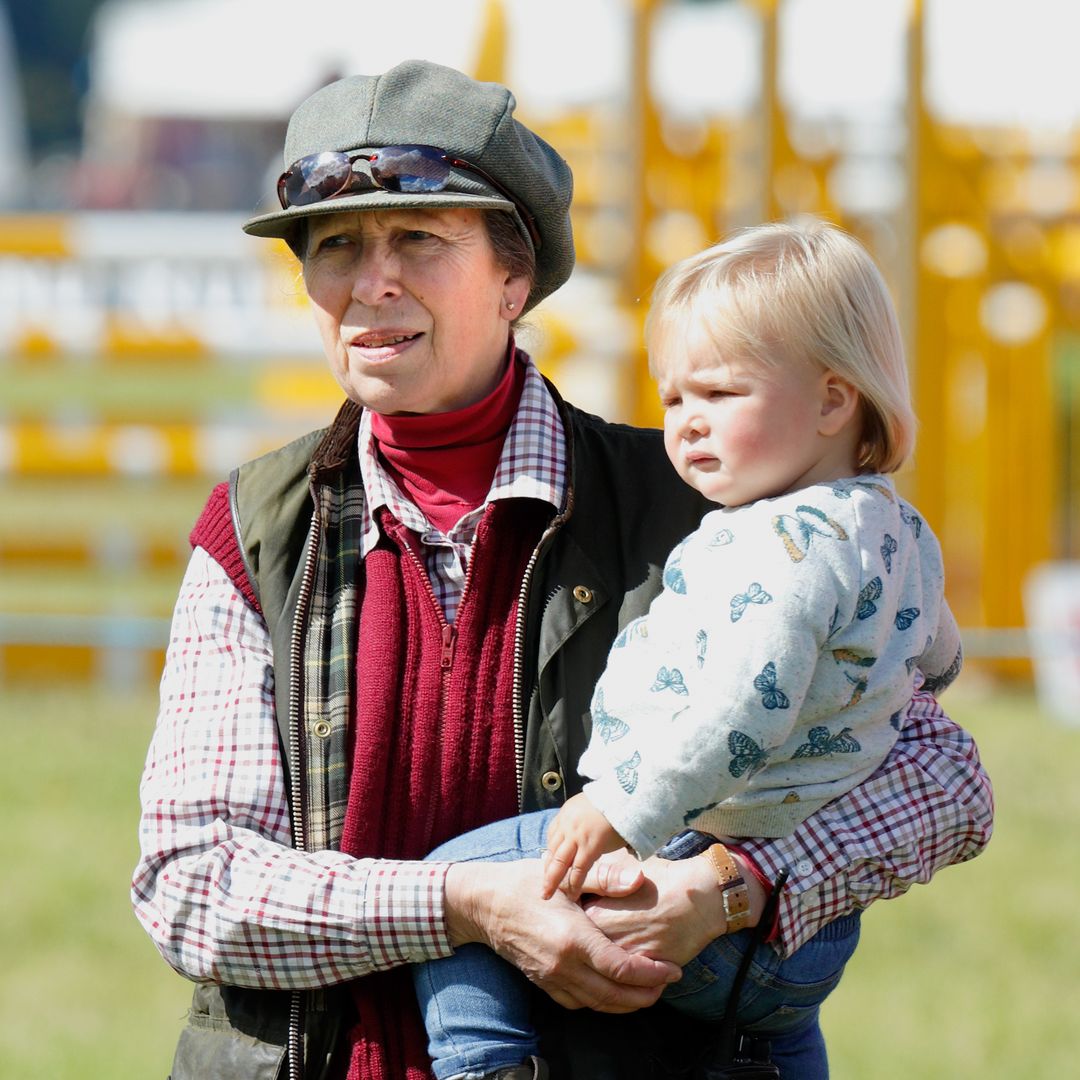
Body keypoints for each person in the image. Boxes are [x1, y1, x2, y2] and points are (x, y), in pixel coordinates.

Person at [131, 60, 993, 1080]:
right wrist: (465, 904)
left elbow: (944, 783)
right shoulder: (253, 531)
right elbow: (192, 886)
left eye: (418, 237)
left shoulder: (715, 507)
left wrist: (732, 886)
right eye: (335, 245)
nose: (371, 282)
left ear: (516, 277)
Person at [409, 220, 965, 1080]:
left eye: (720, 393)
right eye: (673, 399)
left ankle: (482, 1061)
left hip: (692, 863)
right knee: (774, 1031)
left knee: (455, 880)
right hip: (809, 928)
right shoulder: (897, 526)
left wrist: (623, 809)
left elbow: (739, 715)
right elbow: (938, 657)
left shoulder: (782, 549)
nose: (688, 424)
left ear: (833, 401)